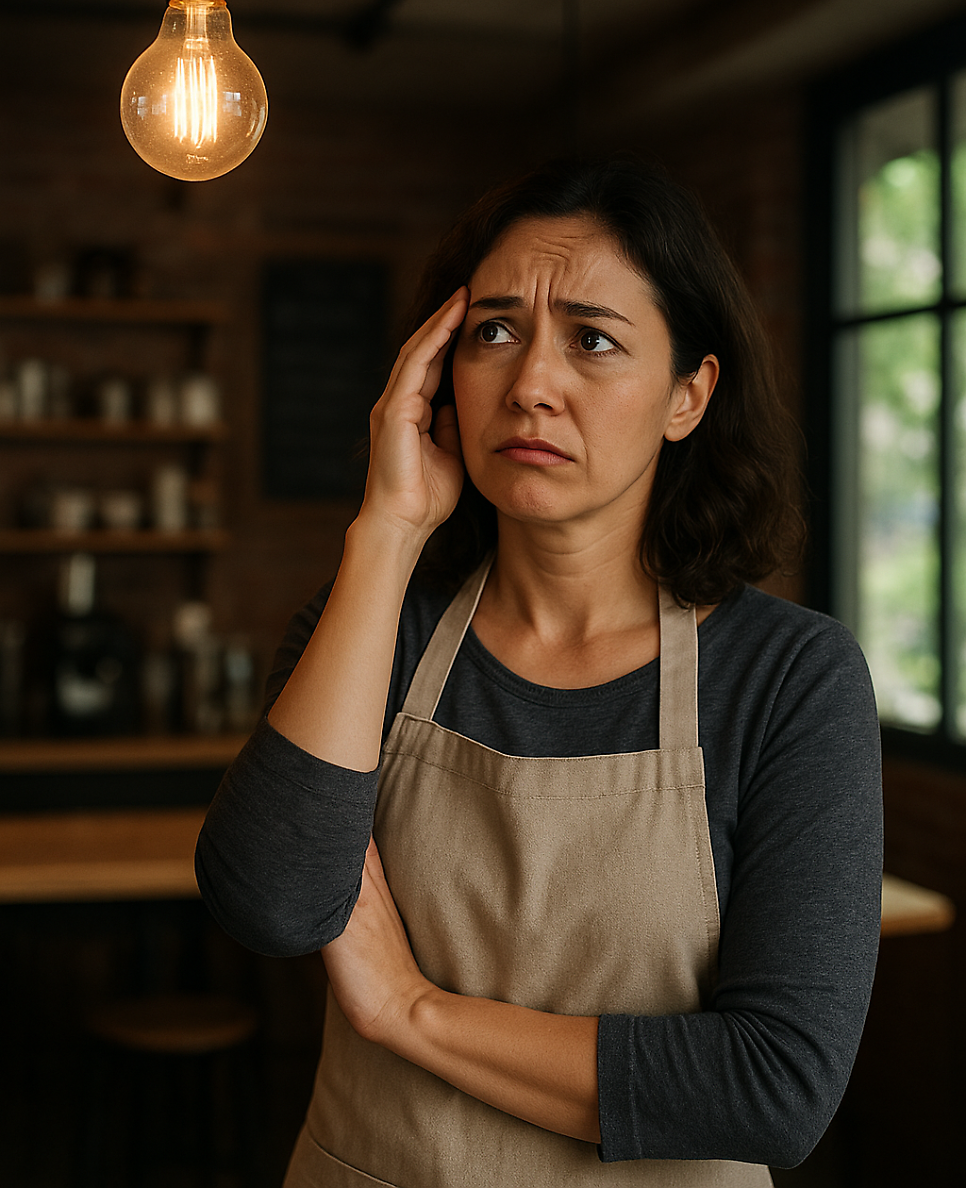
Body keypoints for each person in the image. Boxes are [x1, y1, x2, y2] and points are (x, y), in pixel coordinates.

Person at [196, 156, 882, 1187]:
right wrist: (386, 532)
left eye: (593, 341)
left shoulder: (789, 679)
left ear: (687, 396)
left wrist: (413, 1011)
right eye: (495, 332)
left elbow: (773, 1088)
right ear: (437, 376)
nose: (530, 387)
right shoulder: (369, 629)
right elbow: (270, 903)